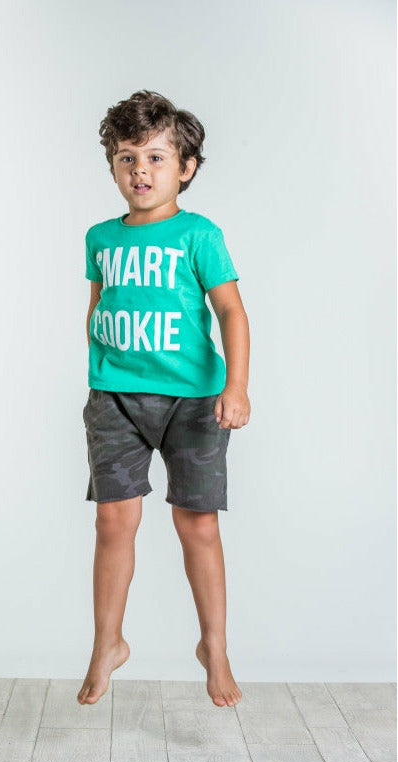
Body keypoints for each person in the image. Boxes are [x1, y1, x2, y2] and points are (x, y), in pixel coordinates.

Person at [78, 90, 251, 708]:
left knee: (197, 523)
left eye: (155, 157)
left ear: (186, 167)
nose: (140, 171)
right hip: (116, 399)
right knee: (113, 520)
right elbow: (98, 306)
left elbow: (230, 310)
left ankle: (215, 647)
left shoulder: (198, 234)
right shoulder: (100, 237)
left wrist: (236, 386)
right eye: (127, 158)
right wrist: (103, 365)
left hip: (194, 403)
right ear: (113, 168)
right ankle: (108, 642)